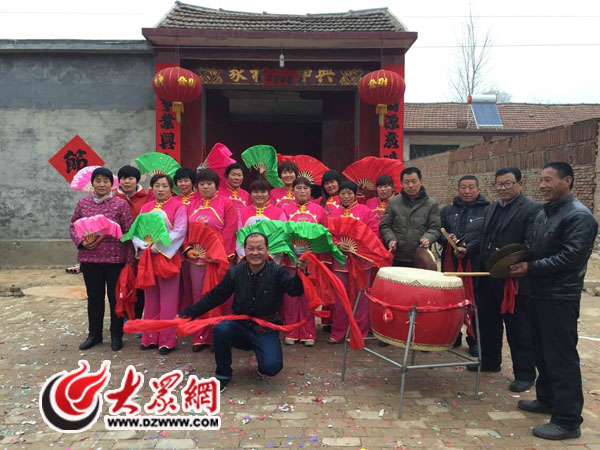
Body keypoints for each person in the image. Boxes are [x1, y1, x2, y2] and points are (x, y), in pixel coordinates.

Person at [510, 162, 597, 440]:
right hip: (538, 293)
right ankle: (546, 399)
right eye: (541, 180)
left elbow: (570, 258)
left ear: (567, 180)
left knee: (561, 358)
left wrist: (531, 268)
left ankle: (568, 420)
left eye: (548, 180)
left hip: (560, 297)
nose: (542, 185)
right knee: (541, 351)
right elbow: (534, 248)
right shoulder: (544, 213)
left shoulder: (579, 216)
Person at [179, 233, 308, 393]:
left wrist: (301, 273)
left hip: (265, 328)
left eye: (260, 248)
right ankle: (223, 374)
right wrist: (188, 314)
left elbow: (295, 291)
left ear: (267, 250)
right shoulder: (236, 272)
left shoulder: (277, 272)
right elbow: (216, 296)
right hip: (240, 327)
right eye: (251, 249)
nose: (255, 253)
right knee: (221, 328)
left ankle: (263, 358)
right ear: (245, 250)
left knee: (271, 367)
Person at [468, 167, 540, 392]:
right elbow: (483, 238)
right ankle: (490, 361)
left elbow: (532, 244)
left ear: (520, 184)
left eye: (508, 183)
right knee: (488, 322)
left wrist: (517, 264)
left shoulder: (532, 209)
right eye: (499, 184)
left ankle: (525, 374)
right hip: (488, 276)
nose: (502, 188)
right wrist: (467, 249)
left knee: (518, 328)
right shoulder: (492, 207)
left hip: (513, 279)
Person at [69, 167, 134, 351]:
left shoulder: (120, 205)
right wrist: (82, 242)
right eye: (98, 181)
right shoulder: (83, 204)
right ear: (92, 183)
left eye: (106, 181)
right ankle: (94, 335)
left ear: (112, 184)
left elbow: (128, 232)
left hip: (115, 260)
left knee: (115, 299)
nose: (102, 184)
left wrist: (129, 261)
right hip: (90, 260)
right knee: (94, 298)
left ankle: (116, 335)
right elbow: (73, 226)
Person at [184, 168, 238, 352]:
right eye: (202, 184)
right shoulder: (191, 204)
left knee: (222, 297)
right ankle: (201, 335)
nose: (205, 187)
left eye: (209, 184)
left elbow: (230, 230)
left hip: (218, 259)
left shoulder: (226, 203)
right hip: (197, 260)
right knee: (199, 296)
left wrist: (216, 253)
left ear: (216, 186)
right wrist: (188, 249)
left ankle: (222, 335)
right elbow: (185, 231)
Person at [135, 174, 187, 355]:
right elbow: (137, 230)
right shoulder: (146, 207)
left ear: (171, 188)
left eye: (165, 186)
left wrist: (157, 246)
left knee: (169, 300)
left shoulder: (178, 206)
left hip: (167, 257)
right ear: (152, 188)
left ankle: (167, 340)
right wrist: (141, 243)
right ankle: (149, 337)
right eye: (157, 185)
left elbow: (180, 231)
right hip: (148, 257)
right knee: (150, 297)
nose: (161, 189)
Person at [439, 175, 490, 356]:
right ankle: (453, 335)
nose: (467, 191)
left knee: (474, 302)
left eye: (471, 187)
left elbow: (486, 236)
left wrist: (468, 248)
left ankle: (474, 339)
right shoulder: (448, 210)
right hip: (451, 262)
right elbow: (440, 232)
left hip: (475, 263)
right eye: (463, 187)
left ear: (478, 189)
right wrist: (449, 239)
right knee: (451, 299)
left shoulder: (488, 210)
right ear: (458, 189)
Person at [328, 181, 379, 344]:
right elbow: (328, 234)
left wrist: (359, 246)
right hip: (340, 262)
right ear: (338, 195)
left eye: (350, 193)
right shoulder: (334, 213)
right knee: (340, 297)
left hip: (361, 261)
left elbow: (374, 233)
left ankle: (360, 333)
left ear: (356, 194)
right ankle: (339, 332)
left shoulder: (365, 211)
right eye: (343, 193)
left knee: (361, 298)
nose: (346, 196)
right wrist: (337, 244)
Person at [280, 177, 328, 345]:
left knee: (309, 296)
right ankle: (292, 331)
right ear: (292, 191)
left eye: (305, 188)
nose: (302, 191)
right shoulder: (285, 210)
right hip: (290, 260)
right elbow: (281, 234)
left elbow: (325, 234)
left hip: (311, 260)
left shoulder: (319, 210)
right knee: (291, 297)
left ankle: (308, 333)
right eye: (298, 188)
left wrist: (314, 249)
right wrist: (291, 248)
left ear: (310, 191)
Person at [379, 167, 441, 267]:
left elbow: (435, 228)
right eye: (407, 182)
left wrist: (427, 238)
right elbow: (385, 225)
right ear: (402, 183)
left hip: (420, 257)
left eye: (414, 181)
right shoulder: (393, 202)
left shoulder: (431, 204)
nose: (410, 185)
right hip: (397, 256)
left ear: (421, 181)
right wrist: (390, 239)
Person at [115, 165, 148, 320]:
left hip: (140, 250)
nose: (127, 182)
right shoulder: (113, 199)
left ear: (137, 180)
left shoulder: (146, 199)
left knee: (139, 285)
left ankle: (137, 318)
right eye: (123, 178)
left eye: (130, 178)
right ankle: (122, 317)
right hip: (119, 250)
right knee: (121, 284)